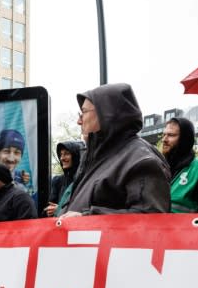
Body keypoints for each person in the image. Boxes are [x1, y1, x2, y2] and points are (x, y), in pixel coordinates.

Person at [60, 83, 171, 217]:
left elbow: (150, 218)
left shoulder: (141, 159)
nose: (79, 121)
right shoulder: (96, 154)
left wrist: (87, 218)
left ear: (106, 113)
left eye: (84, 112)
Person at [161, 117, 198, 213]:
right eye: (164, 135)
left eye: (171, 135)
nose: (164, 139)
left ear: (185, 139)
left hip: (186, 227)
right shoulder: (159, 166)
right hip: (156, 226)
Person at [45, 141, 83, 217]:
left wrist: (59, 209)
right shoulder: (57, 181)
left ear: (76, 156)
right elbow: (48, 208)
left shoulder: (84, 180)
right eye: (61, 154)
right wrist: (49, 210)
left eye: (66, 154)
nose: (62, 158)